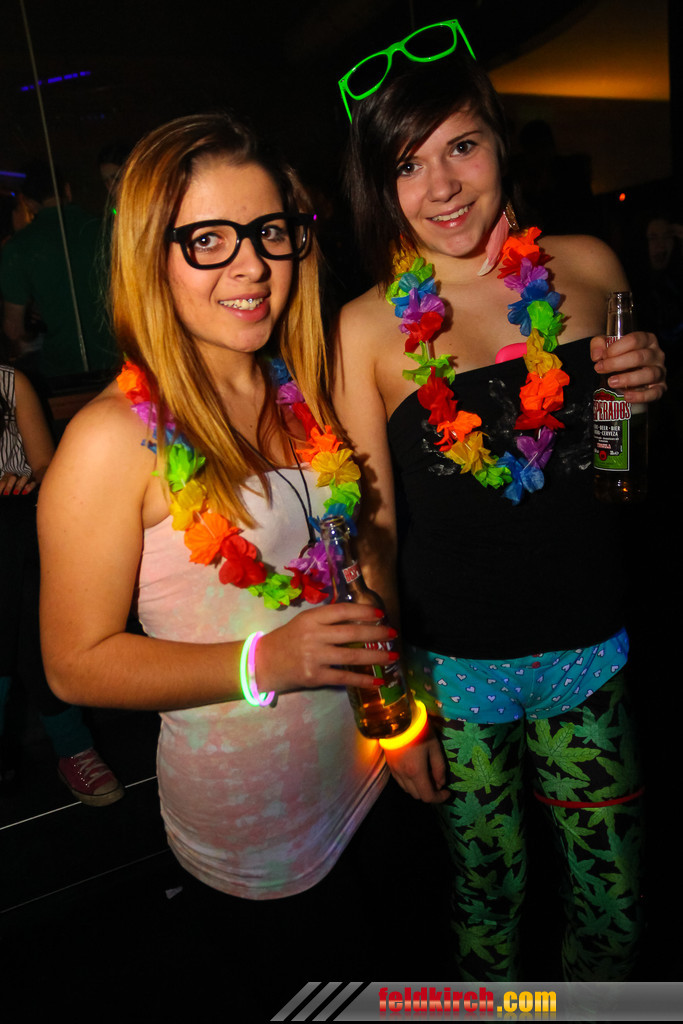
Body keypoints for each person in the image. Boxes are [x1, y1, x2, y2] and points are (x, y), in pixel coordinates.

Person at [334, 21, 666, 983]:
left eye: (461, 147)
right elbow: (370, 538)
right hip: (455, 675)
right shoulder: (364, 329)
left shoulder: (588, 267)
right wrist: (388, 715)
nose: (440, 187)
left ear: (498, 144)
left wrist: (642, 403)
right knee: (487, 903)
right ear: (379, 184)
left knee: (614, 906)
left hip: (590, 652)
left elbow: (622, 478)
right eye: (407, 164)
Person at [37, 114, 390, 913]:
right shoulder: (111, 439)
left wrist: (399, 728)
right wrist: (265, 662)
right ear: (150, 257)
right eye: (207, 239)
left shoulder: (299, 391)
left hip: (367, 772)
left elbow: (352, 570)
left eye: (269, 231)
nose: (253, 265)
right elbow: (74, 663)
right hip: (256, 831)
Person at [0, 362, 123, 803]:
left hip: (17, 525)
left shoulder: (9, 382)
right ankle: (73, 745)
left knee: (16, 534)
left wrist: (24, 482)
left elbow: (46, 466)